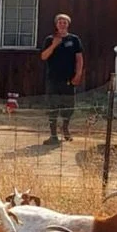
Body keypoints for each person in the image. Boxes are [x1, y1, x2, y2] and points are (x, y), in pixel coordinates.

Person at [38, 12, 84, 145]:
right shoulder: (49, 39)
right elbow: (43, 57)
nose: (62, 24)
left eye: (65, 22)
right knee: (52, 106)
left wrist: (78, 74)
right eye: (60, 22)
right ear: (56, 24)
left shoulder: (74, 39)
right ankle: (53, 135)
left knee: (68, 106)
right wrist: (54, 44)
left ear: (68, 25)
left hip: (69, 79)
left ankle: (65, 129)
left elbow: (79, 58)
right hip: (53, 78)